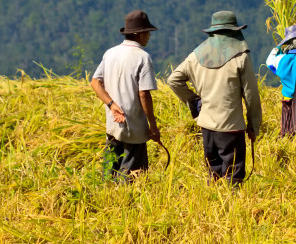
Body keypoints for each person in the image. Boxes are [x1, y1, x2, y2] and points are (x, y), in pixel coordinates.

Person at [167, 11, 263, 186]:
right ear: (234, 32)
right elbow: (251, 96)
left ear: (212, 32)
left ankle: (213, 206)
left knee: (214, 175)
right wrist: (253, 125)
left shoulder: (196, 56)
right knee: (233, 178)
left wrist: (195, 101)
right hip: (231, 128)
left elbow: (173, 80)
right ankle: (232, 211)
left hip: (207, 127)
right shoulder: (241, 57)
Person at [89, 10, 160, 182]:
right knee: (132, 177)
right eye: (147, 33)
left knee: (109, 171)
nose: (149, 36)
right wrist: (152, 125)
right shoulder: (142, 57)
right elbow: (143, 93)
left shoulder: (110, 53)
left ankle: (107, 199)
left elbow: (95, 82)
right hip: (134, 127)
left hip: (113, 124)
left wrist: (112, 104)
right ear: (139, 34)